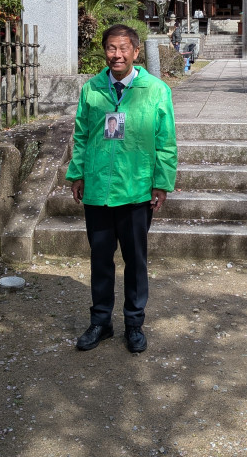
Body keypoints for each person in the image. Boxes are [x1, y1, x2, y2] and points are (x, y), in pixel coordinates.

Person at [66, 24, 178, 354]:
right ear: (105, 52)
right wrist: (77, 175)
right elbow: (81, 135)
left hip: (137, 189)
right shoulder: (92, 89)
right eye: (112, 48)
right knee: (100, 260)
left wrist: (161, 182)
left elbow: (166, 140)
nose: (117, 54)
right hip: (98, 189)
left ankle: (134, 324)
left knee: (135, 260)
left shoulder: (156, 90)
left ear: (136, 52)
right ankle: (100, 322)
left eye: (124, 48)